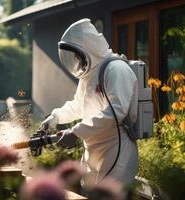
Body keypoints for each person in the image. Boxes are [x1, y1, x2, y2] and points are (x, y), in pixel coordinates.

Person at [40, 18, 138, 186]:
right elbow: (79, 105)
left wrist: (76, 132)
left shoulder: (115, 69)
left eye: (77, 53)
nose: (77, 58)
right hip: (92, 150)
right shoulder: (89, 74)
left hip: (116, 150)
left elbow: (115, 112)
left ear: (89, 47)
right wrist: (55, 117)